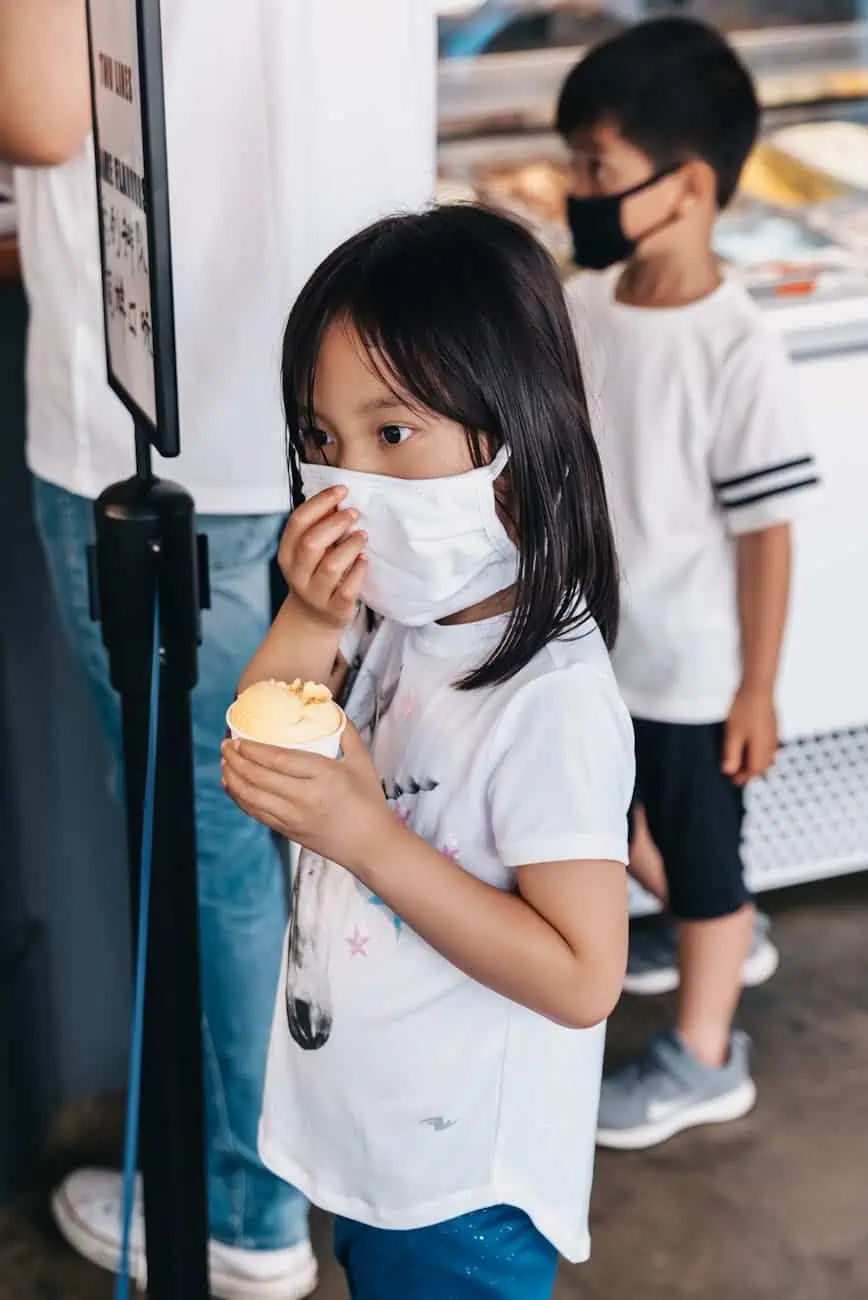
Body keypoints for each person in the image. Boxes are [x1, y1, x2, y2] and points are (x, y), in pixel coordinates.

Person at [1, 1, 435, 1294]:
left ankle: (246, 1214)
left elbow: (35, 110)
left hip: (164, 415)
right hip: (373, 388)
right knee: (343, 812)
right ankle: (340, 1175)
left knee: (219, 849)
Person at [221, 205, 634, 1299]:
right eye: (320, 440)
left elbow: (584, 975)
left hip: (462, 1189)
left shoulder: (550, 697)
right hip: (373, 1137)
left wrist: (366, 838)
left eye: (391, 433)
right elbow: (266, 748)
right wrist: (310, 616)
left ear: (513, 435)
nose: (344, 480)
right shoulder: (401, 618)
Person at [557, 17, 819, 1150]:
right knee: (609, 828)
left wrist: (755, 690)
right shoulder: (584, 306)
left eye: (597, 168)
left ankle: (705, 1054)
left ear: (688, 184)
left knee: (702, 863)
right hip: (593, 651)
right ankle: (712, 924)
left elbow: (766, 535)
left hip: (692, 670)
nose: (579, 189)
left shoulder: (736, 347)